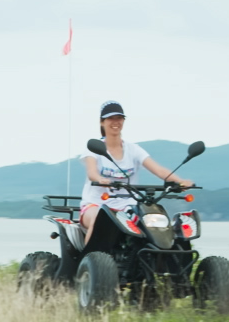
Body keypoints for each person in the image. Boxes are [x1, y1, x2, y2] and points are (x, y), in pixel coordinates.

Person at [80, 101, 191, 239]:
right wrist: (100, 179)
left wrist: (180, 182)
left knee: (153, 224)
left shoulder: (133, 149)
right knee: (99, 220)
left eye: (119, 118)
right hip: (96, 204)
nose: (116, 122)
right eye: (111, 118)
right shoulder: (94, 148)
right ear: (102, 122)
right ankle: (90, 259)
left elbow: (159, 170)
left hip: (128, 205)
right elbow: (92, 173)